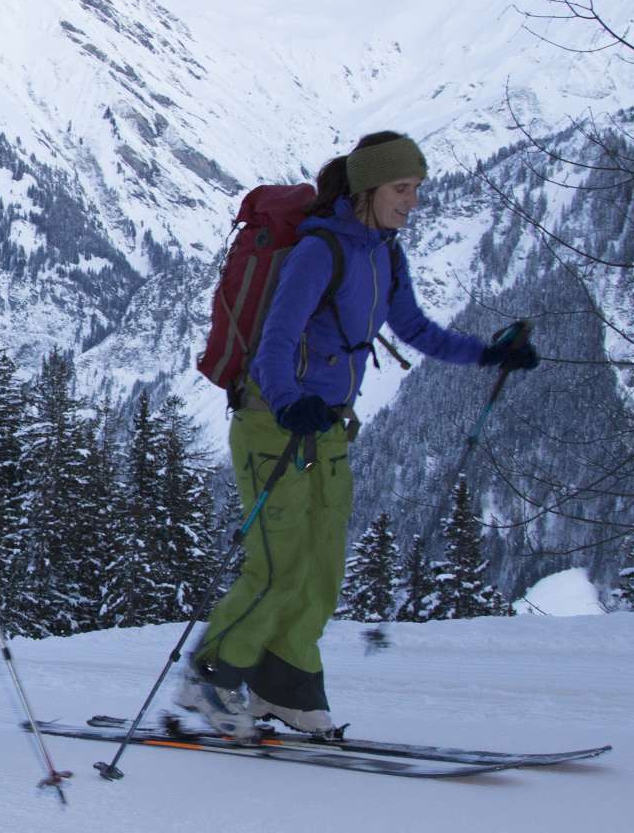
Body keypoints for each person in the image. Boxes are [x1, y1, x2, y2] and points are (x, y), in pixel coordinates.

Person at [176, 131, 539, 741]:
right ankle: (210, 678)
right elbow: (276, 345)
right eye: (402, 188)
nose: (412, 201)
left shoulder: (384, 254)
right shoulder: (320, 252)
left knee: (322, 569)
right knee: (277, 566)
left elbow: (416, 329)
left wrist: (486, 355)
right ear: (369, 188)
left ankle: (284, 684)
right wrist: (290, 402)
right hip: (275, 425)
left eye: (417, 188)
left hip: (328, 432)